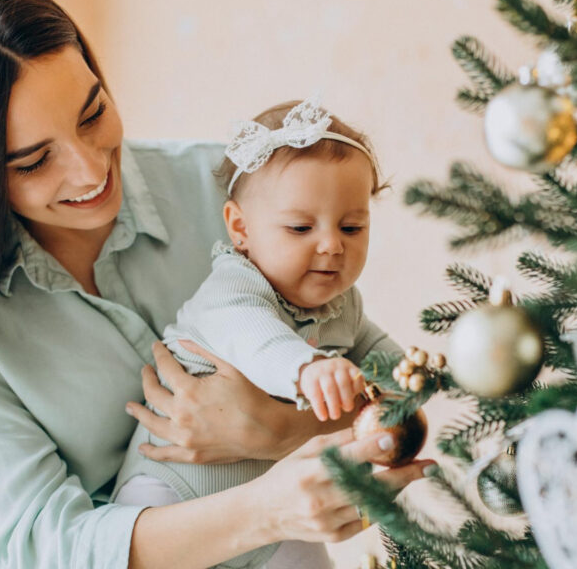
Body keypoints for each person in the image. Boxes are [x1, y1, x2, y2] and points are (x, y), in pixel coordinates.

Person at [0, 0, 435, 568]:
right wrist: (264, 511)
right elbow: (40, 544)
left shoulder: (240, 189)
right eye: (34, 161)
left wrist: (278, 431)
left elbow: (356, 362)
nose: (90, 170)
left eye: (93, 114)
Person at [113, 98, 401, 567]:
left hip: (272, 499)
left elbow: (378, 355)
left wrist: (412, 376)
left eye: (352, 226)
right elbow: (256, 340)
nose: (331, 244)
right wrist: (307, 368)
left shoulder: (343, 304)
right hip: (172, 489)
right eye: (300, 227)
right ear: (240, 228)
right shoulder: (234, 287)